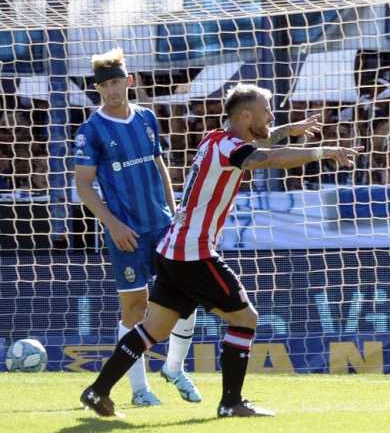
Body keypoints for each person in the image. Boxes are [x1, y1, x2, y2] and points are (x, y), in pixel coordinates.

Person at [80, 84, 358, 418]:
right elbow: (265, 158)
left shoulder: (216, 139)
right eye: (267, 111)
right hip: (193, 254)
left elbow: (258, 145)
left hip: (172, 250)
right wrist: (322, 152)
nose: (271, 116)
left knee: (153, 329)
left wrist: (288, 131)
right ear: (245, 116)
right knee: (246, 319)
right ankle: (231, 402)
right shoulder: (230, 147)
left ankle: (98, 391)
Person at [73, 48, 201, 406]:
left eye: (116, 82)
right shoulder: (90, 131)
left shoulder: (147, 118)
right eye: (104, 85)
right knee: (135, 310)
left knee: (185, 302)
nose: (112, 90)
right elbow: (83, 185)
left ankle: (174, 369)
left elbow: (161, 168)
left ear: (129, 81)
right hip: (125, 234)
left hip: (162, 227)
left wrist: (175, 213)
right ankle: (139, 390)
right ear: (97, 89)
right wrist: (112, 224)